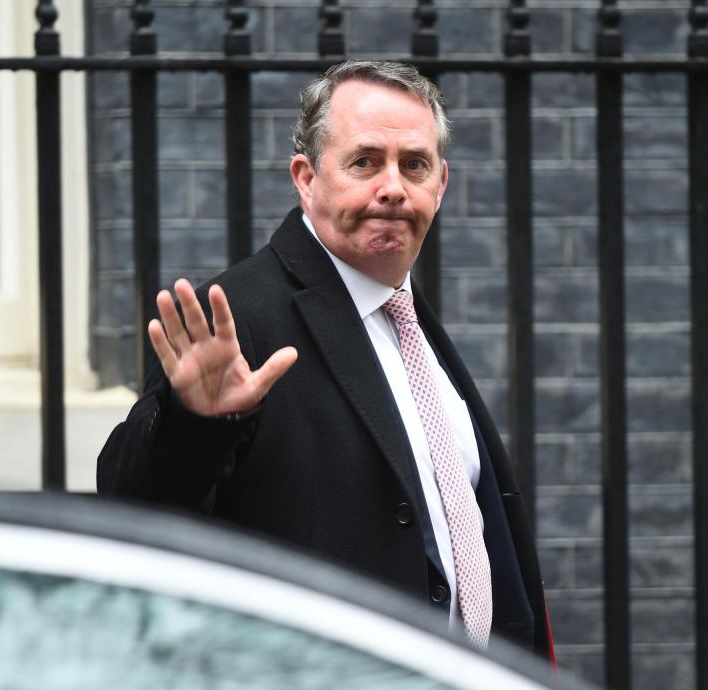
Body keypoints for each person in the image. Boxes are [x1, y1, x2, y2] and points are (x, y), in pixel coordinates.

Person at [97, 59, 553, 658]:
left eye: (414, 164)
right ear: (306, 178)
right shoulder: (234, 319)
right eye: (365, 161)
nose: (392, 186)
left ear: (440, 185)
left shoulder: (408, 322)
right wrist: (196, 423)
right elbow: (134, 518)